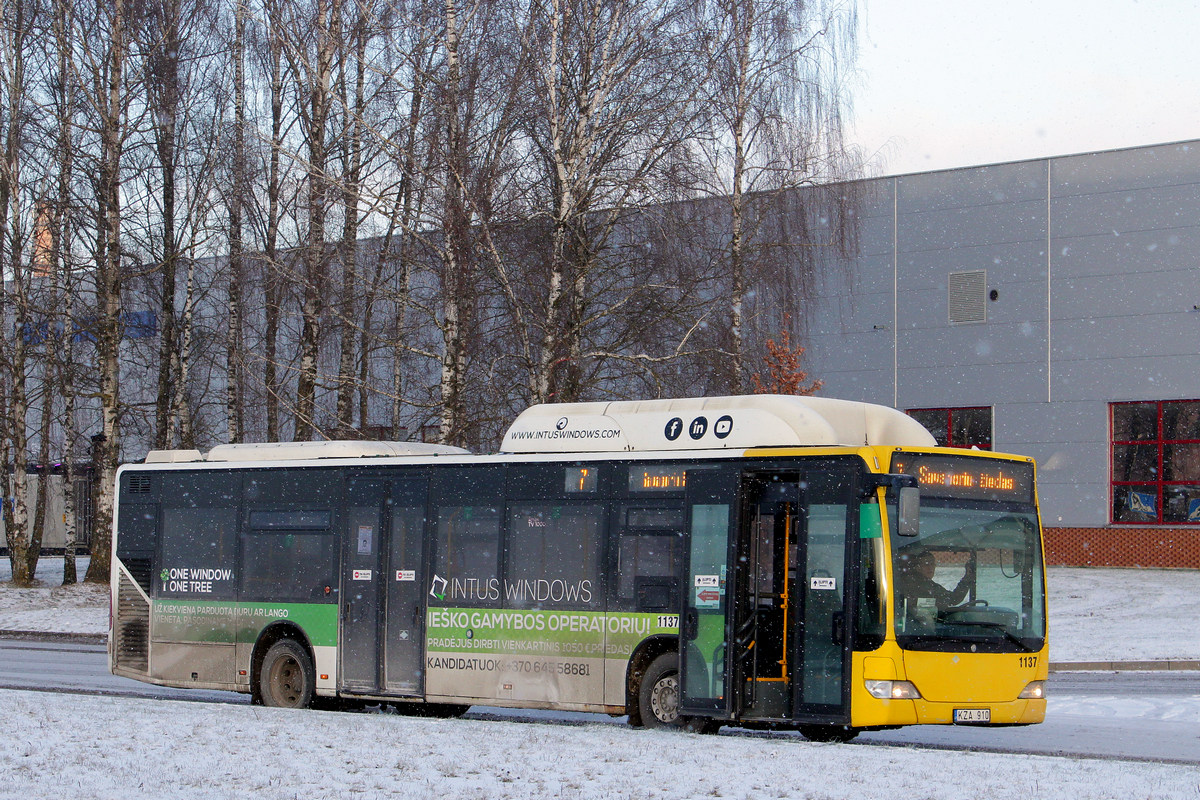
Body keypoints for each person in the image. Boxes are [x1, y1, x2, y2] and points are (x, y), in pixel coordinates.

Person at [898, 549, 976, 627]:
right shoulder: (921, 584)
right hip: (917, 628)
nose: (930, 567)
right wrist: (967, 578)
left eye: (932, 564)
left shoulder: (910, 581)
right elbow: (953, 599)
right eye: (926, 564)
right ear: (917, 567)